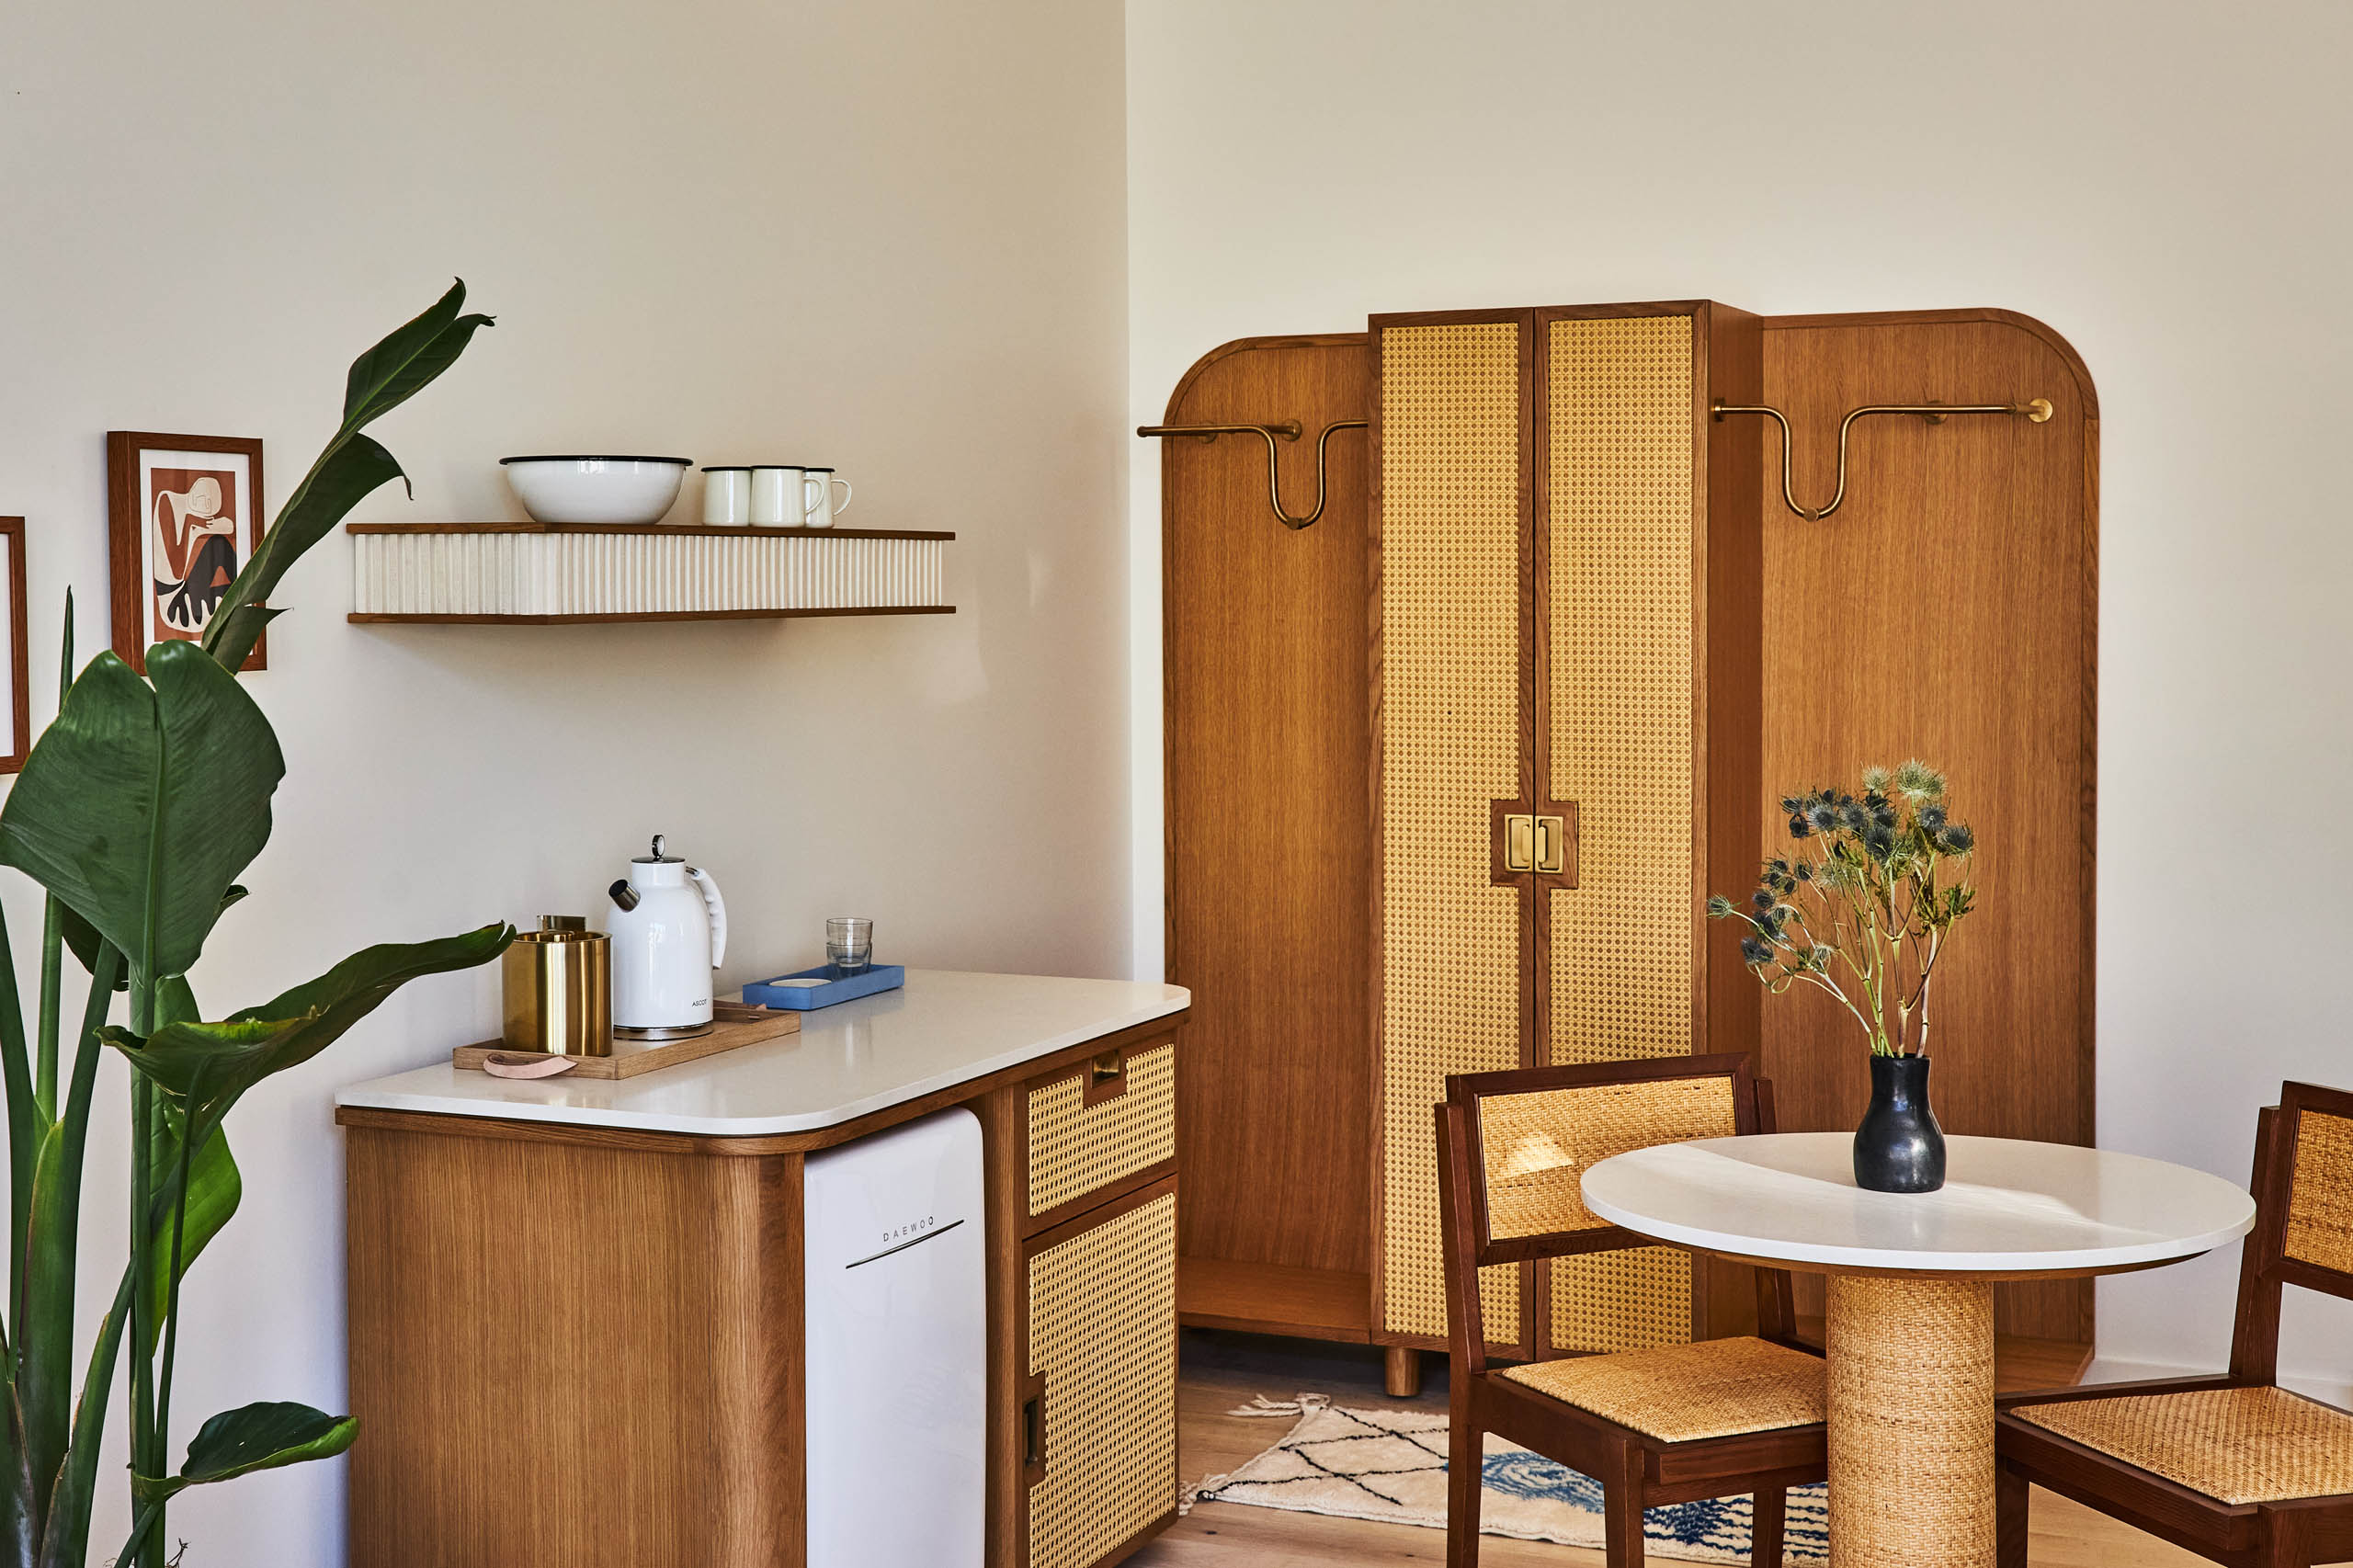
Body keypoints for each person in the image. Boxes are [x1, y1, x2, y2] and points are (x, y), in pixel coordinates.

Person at [152, 473, 239, 633]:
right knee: (219, 545)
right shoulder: (168, 500)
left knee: (240, 589)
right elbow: (176, 569)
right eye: (206, 499)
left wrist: (206, 528)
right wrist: (203, 528)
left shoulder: (188, 515)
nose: (205, 506)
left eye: (210, 505)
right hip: (175, 605)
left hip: (184, 592)